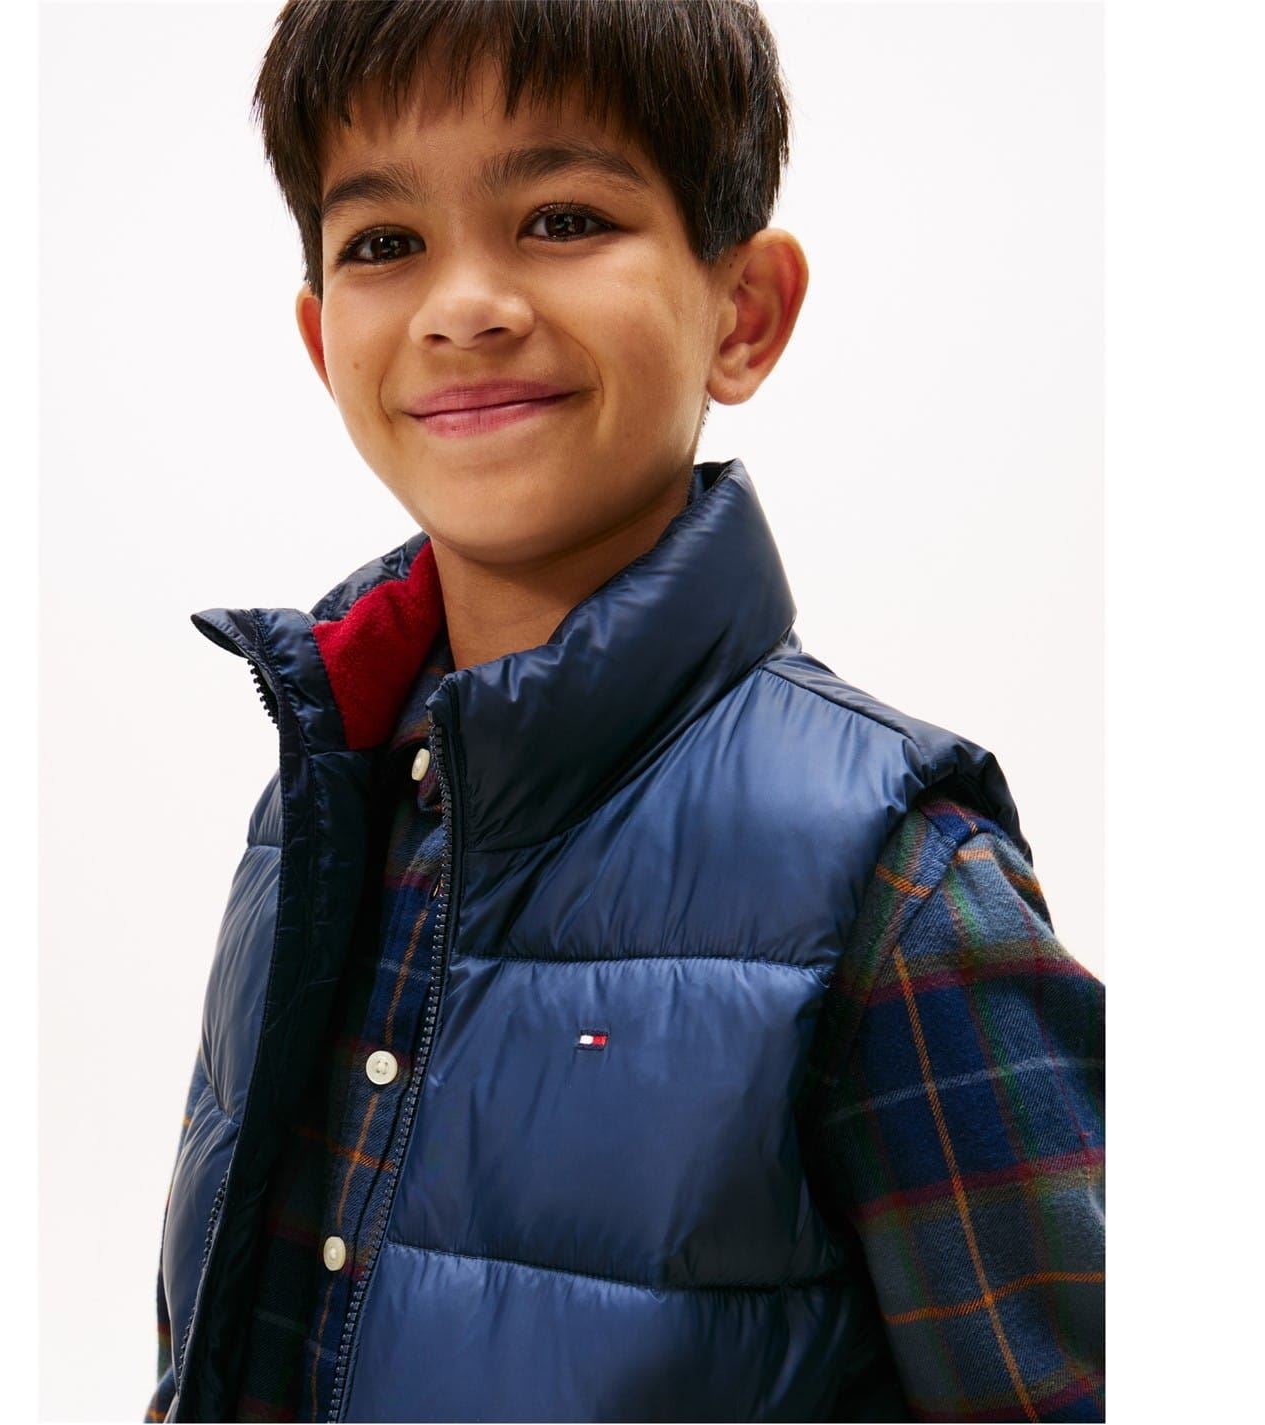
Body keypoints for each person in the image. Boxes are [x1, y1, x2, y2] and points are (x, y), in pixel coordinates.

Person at [144, 2, 1105, 1420]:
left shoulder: (895, 883)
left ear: (744, 312)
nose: (464, 305)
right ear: (320, 337)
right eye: (384, 243)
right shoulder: (325, 796)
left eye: (563, 219)